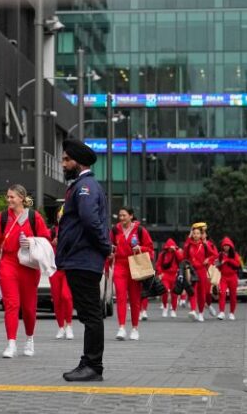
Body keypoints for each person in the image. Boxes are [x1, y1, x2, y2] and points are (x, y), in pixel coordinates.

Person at [56, 139, 111, 382]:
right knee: (90, 314)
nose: (63, 163)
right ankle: (89, 363)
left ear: (78, 162)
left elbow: (90, 220)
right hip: (81, 258)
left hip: (84, 259)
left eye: (67, 159)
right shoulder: (83, 185)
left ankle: (93, 366)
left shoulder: (85, 186)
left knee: (90, 315)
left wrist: (104, 246)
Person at [0, 184, 51, 358]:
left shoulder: (34, 217)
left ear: (22, 198)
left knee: (29, 308)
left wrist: (31, 242)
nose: (8, 200)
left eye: (12, 197)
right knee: (11, 305)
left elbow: (46, 239)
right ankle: (11, 343)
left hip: (29, 267)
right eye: (7, 197)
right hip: (8, 263)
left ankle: (29, 339)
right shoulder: (1, 217)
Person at [109, 207, 154, 341]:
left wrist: (141, 248)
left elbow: (150, 249)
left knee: (135, 299)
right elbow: (109, 246)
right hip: (120, 265)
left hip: (135, 265)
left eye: (124, 215)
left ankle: (135, 328)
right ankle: (121, 327)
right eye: (120, 215)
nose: (121, 218)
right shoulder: (115, 230)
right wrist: (110, 254)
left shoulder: (140, 230)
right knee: (121, 296)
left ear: (131, 216)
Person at [182, 223, 218, 322]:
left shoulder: (205, 245)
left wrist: (208, 259)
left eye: (198, 233)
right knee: (192, 291)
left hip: (202, 271)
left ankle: (201, 313)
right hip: (192, 271)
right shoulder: (188, 245)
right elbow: (184, 257)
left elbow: (215, 255)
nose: (196, 235)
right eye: (194, 233)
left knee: (202, 293)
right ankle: (193, 310)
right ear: (192, 234)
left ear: (201, 235)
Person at [50, 205, 74, 340]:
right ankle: (61, 327)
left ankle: (69, 325)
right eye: (60, 216)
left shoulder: (73, 231)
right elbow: (43, 245)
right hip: (54, 268)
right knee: (57, 299)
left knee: (66, 296)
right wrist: (52, 242)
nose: (61, 218)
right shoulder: (53, 230)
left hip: (68, 267)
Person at [156, 239, 184, 318]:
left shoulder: (176, 254)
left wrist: (175, 251)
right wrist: (160, 273)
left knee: (174, 294)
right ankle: (165, 307)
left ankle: (173, 310)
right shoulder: (162, 254)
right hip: (165, 275)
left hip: (174, 275)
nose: (170, 248)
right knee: (164, 291)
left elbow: (181, 259)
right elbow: (158, 264)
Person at [216, 237, 241, 321]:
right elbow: (217, 266)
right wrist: (219, 264)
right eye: (224, 245)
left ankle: (232, 313)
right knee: (222, 293)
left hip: (233, 277)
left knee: (233, 296)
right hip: (223, 277)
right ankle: (221, 312)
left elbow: (237, 265)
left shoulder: (235, 254)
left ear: (230, 246)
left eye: (227, 245)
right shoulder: (220, 255)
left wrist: (228, 260)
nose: (226, 247)